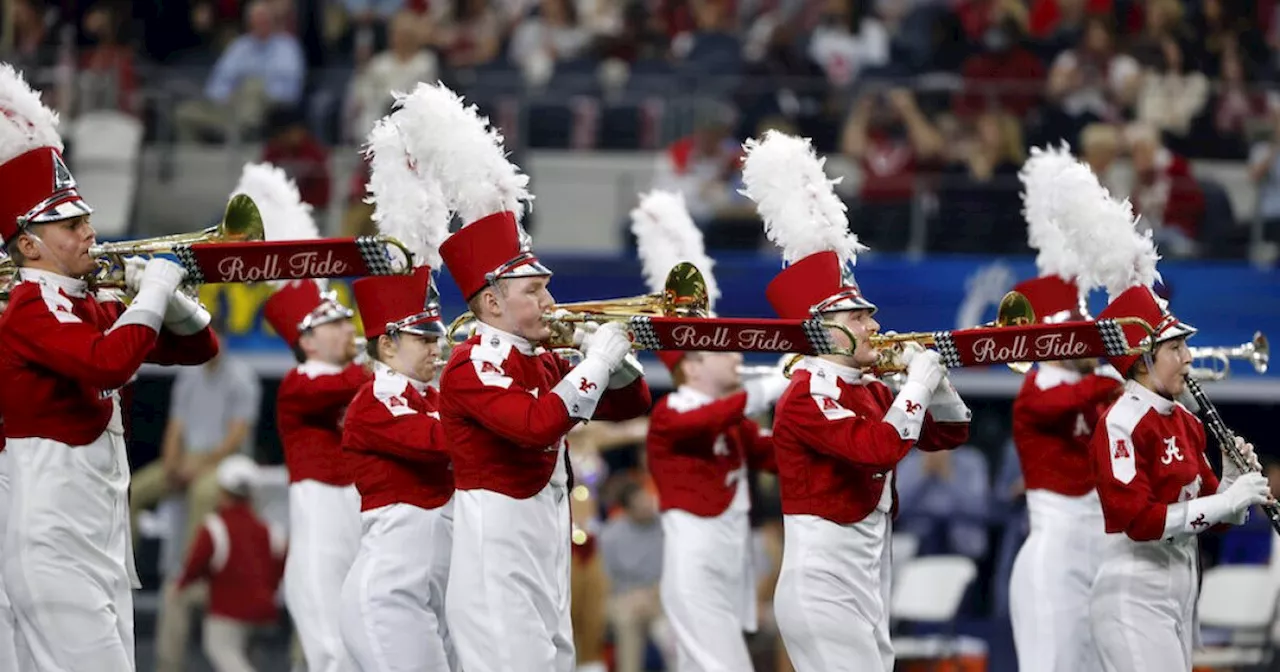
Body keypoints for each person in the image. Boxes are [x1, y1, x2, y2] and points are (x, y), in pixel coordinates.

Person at [0, 63, 220, 670]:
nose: (91, 233)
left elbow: (201, 351)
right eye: (71, 225)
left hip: (99, 542)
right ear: (28, 244)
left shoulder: (90, 305)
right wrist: (151, 293)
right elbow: (107, 365)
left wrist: (166, 292)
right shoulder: (27, 309)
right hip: (52, 546)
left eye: (86, 220)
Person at [741, 130, 970, 672]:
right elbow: (878, 449)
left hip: (866, 579)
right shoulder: (805, 394)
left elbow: (950, 433)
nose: (873, 325)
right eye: (857, 318)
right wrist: (913, 386)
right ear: (821, 329)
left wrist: (934, 383)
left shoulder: (866, 386)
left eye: (868, 314)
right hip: (823, 585)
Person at [630, 187, 787, 671]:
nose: (739, 356)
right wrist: (769, 387)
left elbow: (774, 455)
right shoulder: (674, 411)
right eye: (726, 350)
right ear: (693, 365)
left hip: (730, 558)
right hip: (696, 560)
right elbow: (711, 420)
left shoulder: (729, 414)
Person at [1090, 284, 1272, 671]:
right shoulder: (1120, 423)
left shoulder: (1188, 422)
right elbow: (1140, 522)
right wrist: (1226, 499)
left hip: (1179, 596)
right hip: (1134, 597)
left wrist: (1232, 482)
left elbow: (1220, 521)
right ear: (1142, 359)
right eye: (1175, 348)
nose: (1188, 359)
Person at [340, 265, 458, 671]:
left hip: (429, 594)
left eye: (437, 339)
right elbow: (440, 443)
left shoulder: (434, 398)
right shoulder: (375, 400)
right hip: (390, 595)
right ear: (387, 346)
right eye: (423, 339)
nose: (436, 350)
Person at [1008, 275, 1123, 672]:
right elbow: (1058, 404)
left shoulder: (1093, 388)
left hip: (1100, 551)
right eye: (1078, 334)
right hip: (1054, 559)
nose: (1090, 344)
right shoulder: (1036, 387)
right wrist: (1110, 378)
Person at [263, 278, 369, 672]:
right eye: (335, 323)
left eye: (347, 320)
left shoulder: (356, 379)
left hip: (359, 515)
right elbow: (337, 387)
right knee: (332, 652)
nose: (349, 328)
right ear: (307, 341)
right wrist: (388, 360)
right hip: (321, 524)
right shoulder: (300, 381)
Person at [169, 454, 287, 672]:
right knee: (241, 650)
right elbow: (280, 569)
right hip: (265, 609)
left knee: (219, 647)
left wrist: (180, 586)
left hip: (228, 609)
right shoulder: (271, 531)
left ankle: (168, 667)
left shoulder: (214, 527)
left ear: (222, 492)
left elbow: (193, 567)